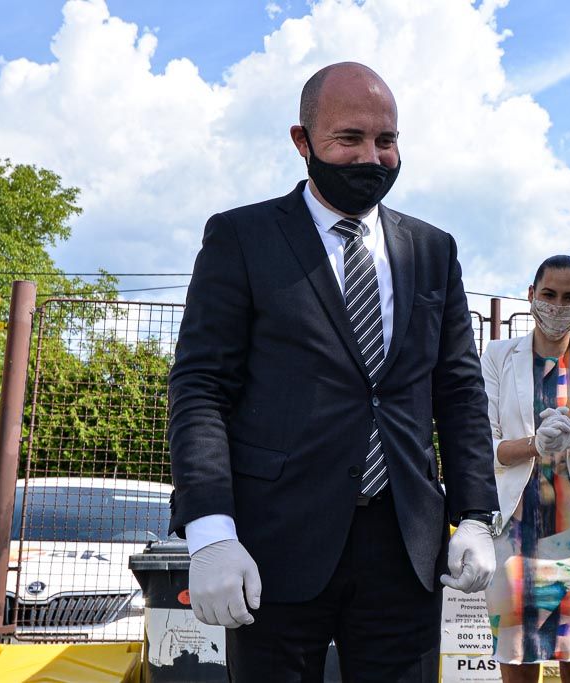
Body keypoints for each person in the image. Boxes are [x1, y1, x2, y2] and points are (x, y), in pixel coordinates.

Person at [167, 62, 500, 682]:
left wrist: (476, 514)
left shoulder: (433, 249)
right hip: (273, 546)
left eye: (386, 140)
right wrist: (210, 529)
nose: (371, 156)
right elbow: (201, 389)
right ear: (303, 142)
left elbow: (457, 390)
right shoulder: (243, 237)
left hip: (405, 548)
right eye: (349, 139)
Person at [480, 255, 570, 683]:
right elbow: (482, 446)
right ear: (530, 295)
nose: (556, 305)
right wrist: (533, 445)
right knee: (518, 664)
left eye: (568, 297)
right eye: (548, 294)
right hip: (515, 534)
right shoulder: (497, 357)